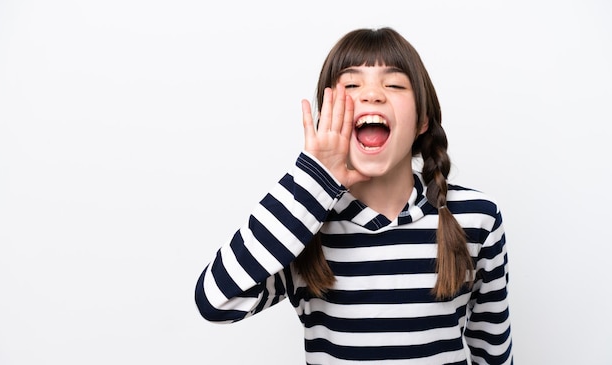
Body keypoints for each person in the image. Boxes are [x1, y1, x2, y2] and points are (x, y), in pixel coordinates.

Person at [194, 27, 513, 364]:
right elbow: (215, 301)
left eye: (393, 84)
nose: (372, 94)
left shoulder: (477, 218)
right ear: (327, 117)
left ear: (422, 120)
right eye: (351, 85)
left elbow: (492, 350)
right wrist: (313, 177)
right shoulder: (302, 225)